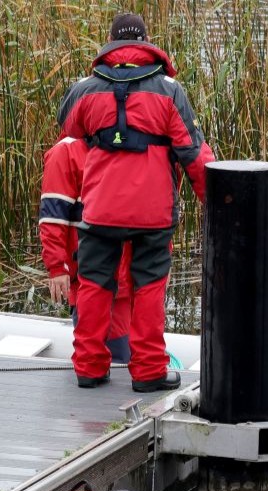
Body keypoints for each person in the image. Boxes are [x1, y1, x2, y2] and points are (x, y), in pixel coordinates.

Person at [57, 12, 214, 393]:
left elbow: (69, 128)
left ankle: (90, 369)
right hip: (152, 213)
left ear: (111, 44)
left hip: (100, 209)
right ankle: (147, 373)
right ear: (145, 42)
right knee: (148, 287)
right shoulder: (169, 90)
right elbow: (193, 152)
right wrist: (217, 203)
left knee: (94, 284)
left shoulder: (85, 89)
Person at [39, 135, 134, 386]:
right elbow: (53, 216)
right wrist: (57, 266)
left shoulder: (121, 140)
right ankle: (95, 419)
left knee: (123, 356)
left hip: (124, 276)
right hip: (89, 278)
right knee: (102, 355)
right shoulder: (66, 152)